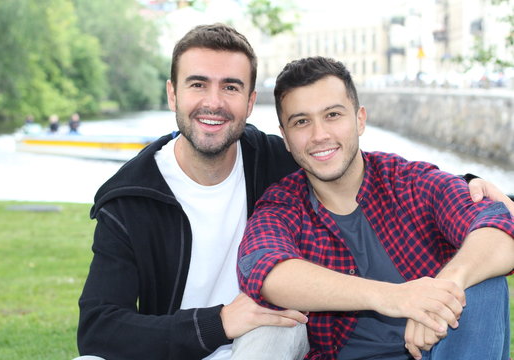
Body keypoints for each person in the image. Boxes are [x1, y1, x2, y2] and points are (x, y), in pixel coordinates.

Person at [75, 24, 513, 360]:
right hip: (205, 338)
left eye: (230, 87)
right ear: (172, 93)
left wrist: (467, 191)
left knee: (484, 286)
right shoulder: (132, 198)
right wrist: (219, 323)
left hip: (289, 335)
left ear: (249, 104)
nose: (213, 102)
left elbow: (489, 218)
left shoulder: (285, 159)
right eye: (197, 84)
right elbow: (266, 269)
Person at [236, 56, 514, 360]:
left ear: (359, 119)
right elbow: (264, 269)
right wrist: (393, 298)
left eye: (332, 115)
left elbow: (498, 224)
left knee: (483, 285)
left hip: (441, 351)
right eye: (301, 122)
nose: (319, 135)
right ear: (286, 138)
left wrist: (443, 289)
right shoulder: (283, 205)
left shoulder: (409, 182)